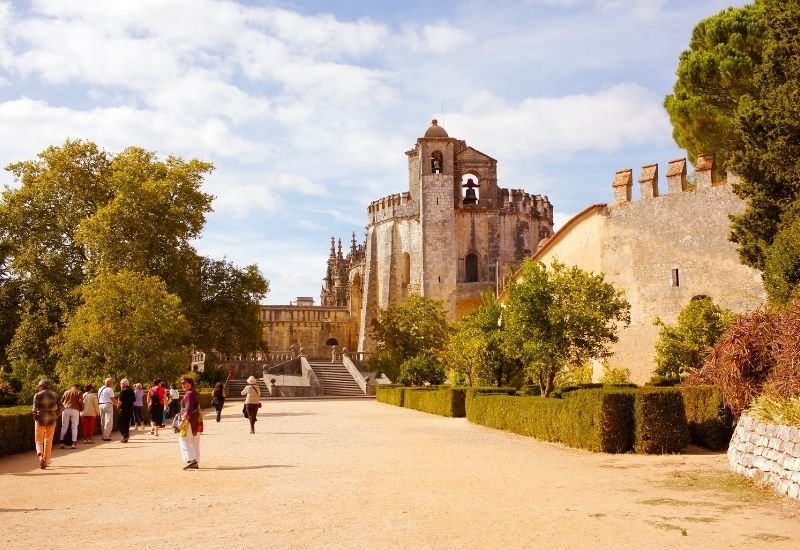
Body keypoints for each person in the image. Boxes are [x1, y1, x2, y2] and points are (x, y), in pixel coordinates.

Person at [32, 379, 61, 469]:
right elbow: (61, 407)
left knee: (38, 440)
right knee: (48, 439)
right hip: (52, 418)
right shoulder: (55, 394)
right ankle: (46, 459)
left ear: (41, 386)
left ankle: (40, 457)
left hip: (40, 418)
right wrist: (56, 415)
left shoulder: (37, 395)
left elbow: (34, 410)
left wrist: (35, 418)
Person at [178, 376, 201, 470]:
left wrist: (182, 422)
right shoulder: (195, 393)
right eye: (182, 383)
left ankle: (191, 460)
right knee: (195, 441)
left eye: (185, 382)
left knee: (183, 439)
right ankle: (195, 460)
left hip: (189, 420)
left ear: (190, 383)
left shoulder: (189, 394)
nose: (183, 385)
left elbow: (188, 410)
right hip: (197, 419)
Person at [59, 383, 83, 449]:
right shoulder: (79, 392)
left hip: (66, 409)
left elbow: (61, 401)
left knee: (64, 426)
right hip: (75, 410)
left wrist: (61, 409)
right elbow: (80, 401)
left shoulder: (66, 392)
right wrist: (82, 409)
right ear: (78, 387)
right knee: (74, 427)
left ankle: (61, 443)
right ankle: (73, 444)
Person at [118, 379, 135, 443]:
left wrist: (118, 406)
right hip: (130, 409)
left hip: (123, 410)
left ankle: (125, 436)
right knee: (127, 423)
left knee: (120, 423)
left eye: (121, 384)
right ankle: (126, 436)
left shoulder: (123, 391)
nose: (120, 385)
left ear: (123, 384)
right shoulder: (131, 391)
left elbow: (120, 402)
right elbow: (134, 401)